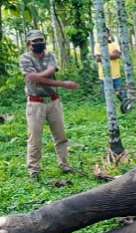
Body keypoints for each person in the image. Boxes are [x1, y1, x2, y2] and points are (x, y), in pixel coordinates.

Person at [19, 30, 80, 179]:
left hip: (53, 101)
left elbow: (42, 74)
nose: (39, 43)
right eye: (35, 41)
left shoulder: (50, 55)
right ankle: (34, 170)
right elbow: (36, 78)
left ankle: (65, 165)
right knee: (35, 139)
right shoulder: (25, 58)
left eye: (41, 40)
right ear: (29, 44)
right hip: (35, 103)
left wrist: (37, 76)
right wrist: (62, 83)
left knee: (61, 136)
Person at [94, 28, 126, 104]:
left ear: (109, 34)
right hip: (104, 76)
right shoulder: (97, 45)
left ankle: (126, 107)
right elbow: (98, 59)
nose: (104, 35)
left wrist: (103, 55)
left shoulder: (114, 44)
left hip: (116, 74)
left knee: (121, 94)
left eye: (106, 33)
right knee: (108, 96)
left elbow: (117, 55)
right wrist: (111, 54)